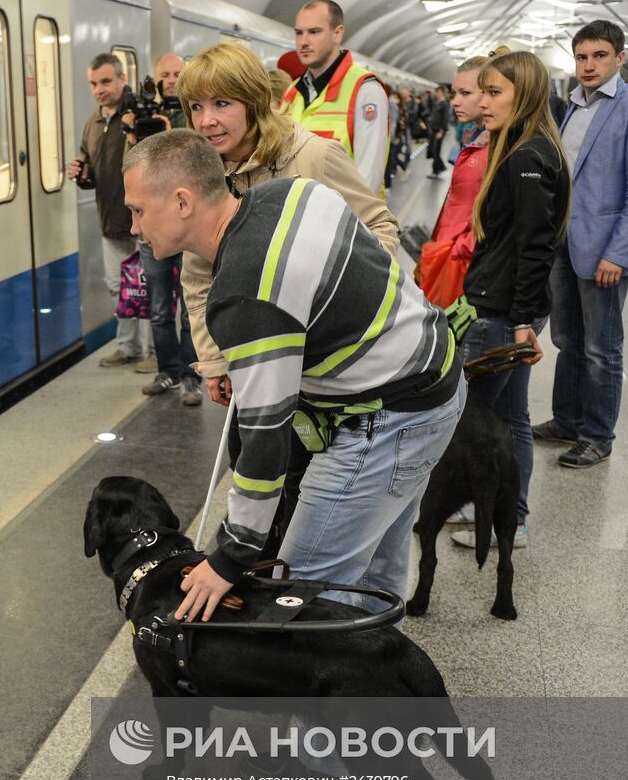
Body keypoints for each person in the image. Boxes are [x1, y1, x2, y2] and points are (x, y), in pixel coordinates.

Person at [121, 130, 463, 621]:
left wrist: (231, 555)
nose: (134, 227)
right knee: (377, 567)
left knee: (303, 595)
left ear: (181, 201)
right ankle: (381, 666)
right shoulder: (291, 192)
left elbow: (265, 437)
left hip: (391, 419)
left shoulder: (244, 294)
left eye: (138, 210)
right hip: (434, 377)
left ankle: (334, 681)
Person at [175, 42, 402, 556]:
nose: (208, 121)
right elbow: (197, 275)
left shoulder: (313, 156)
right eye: (196, 107)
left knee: (308, 494)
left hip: (323, 362)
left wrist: (338, 299)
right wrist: (213, 361)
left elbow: (380, 228)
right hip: (256, 360)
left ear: (254, 101)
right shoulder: (206, 170)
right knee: (255, 467)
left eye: (222, 104)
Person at [447, 51, 571, 551]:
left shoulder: (525, 158)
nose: (484, 101)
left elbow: (534, 245)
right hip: (505, 305)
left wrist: (521, 320)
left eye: (495, 93)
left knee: (472, 416)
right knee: (514, 416)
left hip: (502, 311)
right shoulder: (528, 148)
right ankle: (510, 518)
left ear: (525, 97)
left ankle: (484, 508)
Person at [532, 20, 628, 469]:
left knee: (601, 348)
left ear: (620, 58)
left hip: (605, 249)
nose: (589, 65)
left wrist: (620, 252)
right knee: (568, 338)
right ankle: (566, 420)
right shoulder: (572, 106)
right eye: (583, 57)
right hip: (565, 244)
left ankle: (597, 435)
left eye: (600, 56)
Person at [123, 53, 203, 404]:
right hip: (151, 231)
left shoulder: (195, 116)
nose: (170, 80)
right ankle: (167, 371)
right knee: (158, 307)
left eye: (176, 74)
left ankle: (191, 376)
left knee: (189, 307)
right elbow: (133, 172)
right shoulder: (144, 117)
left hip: (186, 229)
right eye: (164, 75)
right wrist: (132, 133)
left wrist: (172, 138)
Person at [68, 52, 150, 367]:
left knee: (152, 289)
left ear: (122, 79)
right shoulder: (94, 122)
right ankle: (130, 347)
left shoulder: (138, 116)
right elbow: (91, 168)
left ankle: (159, 354)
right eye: (93, 83)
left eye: (105, 81)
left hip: (145, 220)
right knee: (119, 287)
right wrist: (82, 172)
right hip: (111, 219)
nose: (99, 89)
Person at [281, 0, 390, 194]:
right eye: (299, 33)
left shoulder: (365, 91)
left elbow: (367, 181)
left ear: (337, 33)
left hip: (345, 220)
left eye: (314, 32)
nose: (303, 42)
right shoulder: (292, 93)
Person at [418, 54, 493, 309]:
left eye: (465, 93)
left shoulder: (497, 147)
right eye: (454, 93)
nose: (456, 102)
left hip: (464, 260)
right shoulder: (475, 135)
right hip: (449, 253)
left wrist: (461, 248)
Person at [427, 84, 452, 178]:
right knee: (434, 151)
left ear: (441, 92)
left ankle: (437, 170)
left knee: (435, 151)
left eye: (437, 92)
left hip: (438, 131)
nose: (435, 94)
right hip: (434, 130)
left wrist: (441, 131)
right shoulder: (438, 102)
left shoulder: (444, 104)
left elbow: (446, 119)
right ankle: (438, 168)